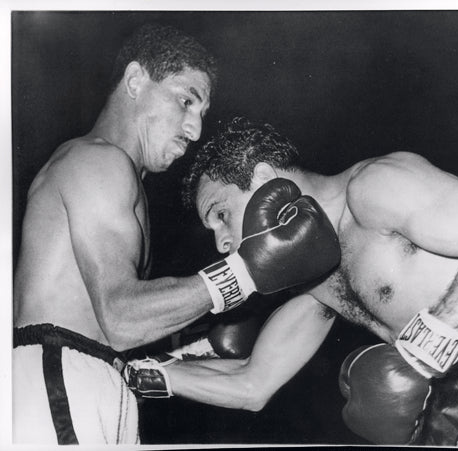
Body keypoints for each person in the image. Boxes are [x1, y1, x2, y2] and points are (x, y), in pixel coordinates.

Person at [12, 26, 340, 445]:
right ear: (135, 81)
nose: (195, 129)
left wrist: (182, 357)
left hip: (84, 377)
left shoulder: (116, 176)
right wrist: (245, 272)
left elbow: (103, 330)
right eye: (186, 100)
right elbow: (120, 317)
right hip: (60, 378)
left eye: (201, 112)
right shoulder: (98, 162)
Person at [126, 117, 458, 445]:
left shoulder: (372, 188)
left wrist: (420, 356)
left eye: (220, 215)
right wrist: (145, 374)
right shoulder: (312, 280)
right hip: (455, 390)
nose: (222, 242)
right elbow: (253, 384)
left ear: (264, 179)